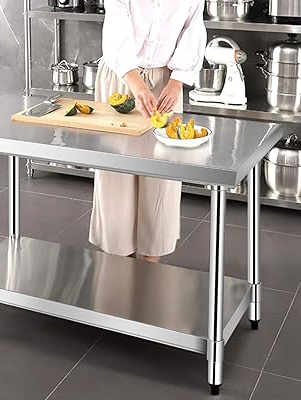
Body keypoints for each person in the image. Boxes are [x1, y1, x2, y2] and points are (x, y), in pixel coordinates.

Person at [89, 0, 207, 263]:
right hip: (121, 76)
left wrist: (177, 82)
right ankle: (118, 265)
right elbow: (116, 31)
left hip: (167, 81)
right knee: (116, 175)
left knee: (162, 177)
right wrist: (138, 86)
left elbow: (194, 29)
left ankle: (150, 266)